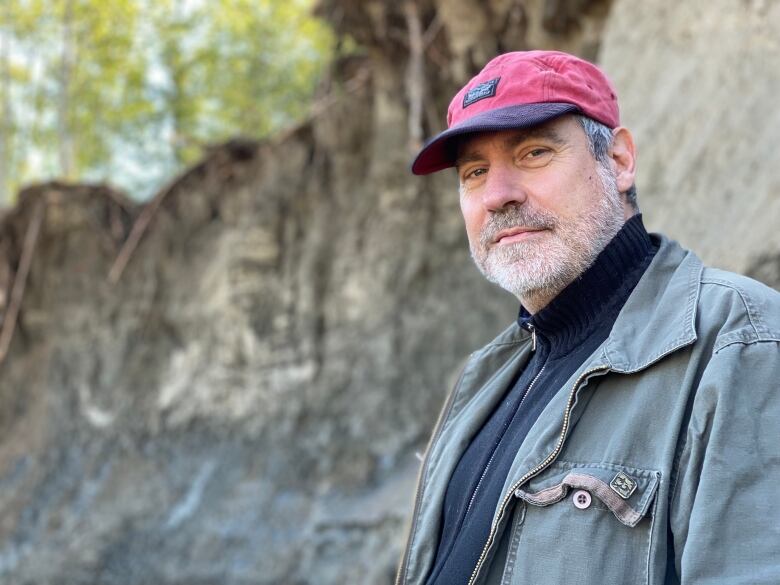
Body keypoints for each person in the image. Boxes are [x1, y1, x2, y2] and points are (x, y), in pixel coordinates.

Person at [395, 50, 780, 585]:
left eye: (533, 153)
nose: (499, 195)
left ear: (619, 161)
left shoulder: (740, 342)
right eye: (475, 171)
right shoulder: (485, 377)